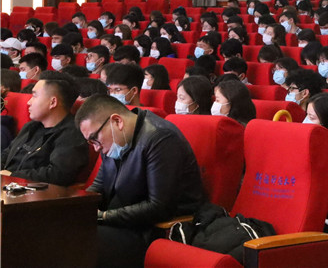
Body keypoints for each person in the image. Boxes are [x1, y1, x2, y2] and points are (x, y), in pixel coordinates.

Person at [75, 94, 205, 268]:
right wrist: (79, 208)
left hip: (150, 231)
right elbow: (100, 186)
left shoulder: (160, 138)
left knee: (75, 241)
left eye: (95, 139)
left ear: (117, 121)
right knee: (63, 229)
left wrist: (103, 216)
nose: (96, 148)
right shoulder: (116, 139)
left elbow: (159, 207)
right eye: (91, 142)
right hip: (121, 222)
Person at [1, 71, 89, 186]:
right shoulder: (31, 126)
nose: (29, 102)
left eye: (34, 96)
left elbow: (57, 174)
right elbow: (7, 154)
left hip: (33, 192)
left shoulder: (72, 135)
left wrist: (13, 176)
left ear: (53, 102)